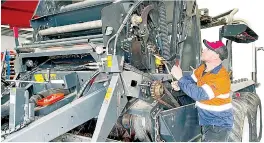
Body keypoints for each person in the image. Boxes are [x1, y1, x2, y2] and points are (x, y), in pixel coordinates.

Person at [170, 39, 233, 142]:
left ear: (216, 56)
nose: (203, 50)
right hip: (206, 120)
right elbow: (190, 80)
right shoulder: (203, 68)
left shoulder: (221, 77)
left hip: (218, 125)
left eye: (208, 49)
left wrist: (180, 78)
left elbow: (200, 94)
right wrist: (179, 84)